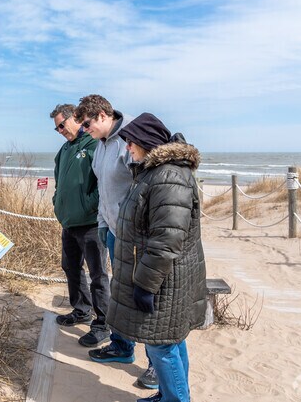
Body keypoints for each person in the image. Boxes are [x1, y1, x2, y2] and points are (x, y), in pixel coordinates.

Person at [107, 112, 207, 402]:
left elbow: (166, 240)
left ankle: (175, 399)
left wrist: (146, 285)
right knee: (169, 341)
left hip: (165, 280)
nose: (127, 148)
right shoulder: (154, 172)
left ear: (146, 142)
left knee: (161, 346)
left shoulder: (168, 177)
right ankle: (167, 394)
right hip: (164, 277)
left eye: (131, 142)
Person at [74, 95, 158, 390]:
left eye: (86, 124)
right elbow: (104, 189)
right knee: (120, 292)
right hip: (111, 231)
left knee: (143, 297)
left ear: (101, 115)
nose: (83, 130)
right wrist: (101, 224)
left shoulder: (130, 138)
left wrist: (132, 228)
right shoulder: (100, 146)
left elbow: (149, 187)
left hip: (134, 234)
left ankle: (155, 365)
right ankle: (122, 346)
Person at [50, 103, 111, 347]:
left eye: (61, 125)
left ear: (75, 118)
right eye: (57, 129)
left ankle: (103, 323)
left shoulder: (94, 144)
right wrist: (58, 203)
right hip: (69, 222)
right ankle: (81, 309)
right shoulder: (64, 150)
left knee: (98, 274)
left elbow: (103, 182)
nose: (60, 131)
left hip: (90, 223)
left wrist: (88, 205)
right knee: (71, 267)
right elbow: (59, 182)